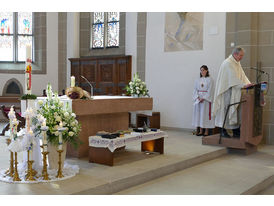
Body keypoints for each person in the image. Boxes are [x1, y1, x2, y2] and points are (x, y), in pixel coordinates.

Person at [212, 47, 253, 138]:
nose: (242, 57)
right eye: (241, 55)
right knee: (226, 112)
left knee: (235, 112)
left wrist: (248, 83)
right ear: (235, 54)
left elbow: (243, 75)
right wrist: (243, 85)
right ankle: (223, 131)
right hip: (227, 92)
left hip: (235, 91)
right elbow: (232, 78)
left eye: (242, 55)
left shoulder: (237, 63)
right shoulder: (228, 63)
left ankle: (236, 131)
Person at [192, 65, 215, 136]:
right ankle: (200, 130)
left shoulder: (210, 79)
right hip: (199, 100)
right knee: (199, 115)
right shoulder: (197, 80)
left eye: (203, 70)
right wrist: (197, 97)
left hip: (206, 100)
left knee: (205, 115)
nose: (202, 71)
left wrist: (204, 98)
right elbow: (195, 90)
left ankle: (206, 131)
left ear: (207, 70)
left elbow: (210, 90)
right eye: (201, 70)